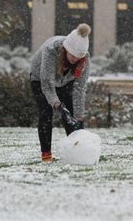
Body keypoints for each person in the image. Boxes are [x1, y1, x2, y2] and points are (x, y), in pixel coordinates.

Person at [29, 23, 91, 162]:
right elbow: (47, 84)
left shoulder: (84, 60)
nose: (75, 59)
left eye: (78, 57)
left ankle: (77, 152)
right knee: (46, 112)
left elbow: (80, 89)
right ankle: (46, 155)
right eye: (72, 55)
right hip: (40, 79)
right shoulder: (51, 50)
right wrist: (57, 105)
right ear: (66, 49)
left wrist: (79, 118)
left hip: (64, 81)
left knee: (71, 115)